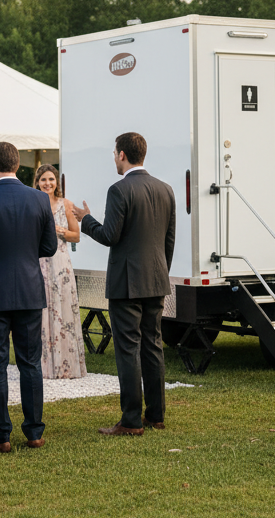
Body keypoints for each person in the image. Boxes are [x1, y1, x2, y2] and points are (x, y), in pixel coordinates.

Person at [73, 134, 174, 434]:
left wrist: (86, 219)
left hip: (127, 283)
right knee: (153, 346)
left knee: (128, 350)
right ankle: (155, 415)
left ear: (121, 155)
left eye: (114, 154)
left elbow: (109, 236)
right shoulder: (166, 189)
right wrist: (160, 273)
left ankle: (131, 420)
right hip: (156, 280)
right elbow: (168, 241)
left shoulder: (119, 189)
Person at [0, 142, 58, 452]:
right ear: (17, 165)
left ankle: (0, 436)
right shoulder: (40, 199)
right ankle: (34, 432)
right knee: (30, 363)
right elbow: (49, 247)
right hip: (29, 290)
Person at [35, 164, 87, 380]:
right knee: (41, 309)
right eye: (43, 180)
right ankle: (42, 365)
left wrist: (62, 231)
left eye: (51, 179)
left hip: (60, 262)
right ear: (37, 182)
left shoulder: (66, 204)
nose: (47, 183)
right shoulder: (33, 203)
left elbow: (77, 235)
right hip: (38, 262)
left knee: (62, 307)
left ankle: (66, 363)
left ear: (57, 182)